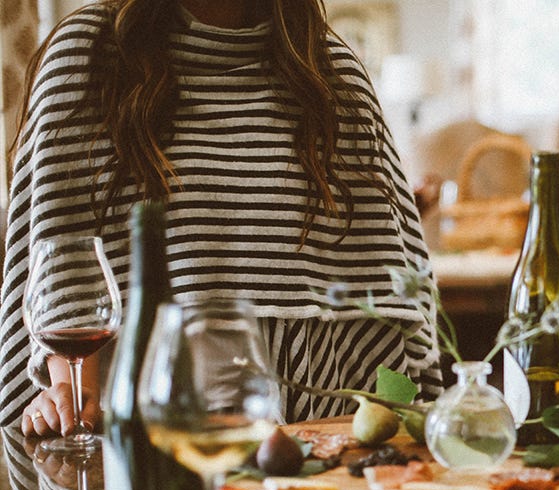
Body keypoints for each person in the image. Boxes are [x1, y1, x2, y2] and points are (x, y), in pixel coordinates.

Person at [4, 0, 442, 437]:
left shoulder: (330, 69)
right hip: (150, 427)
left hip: (324, 424)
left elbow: (392, 285)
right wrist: (72, 396)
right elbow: (64, 263)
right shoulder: (88, 53)